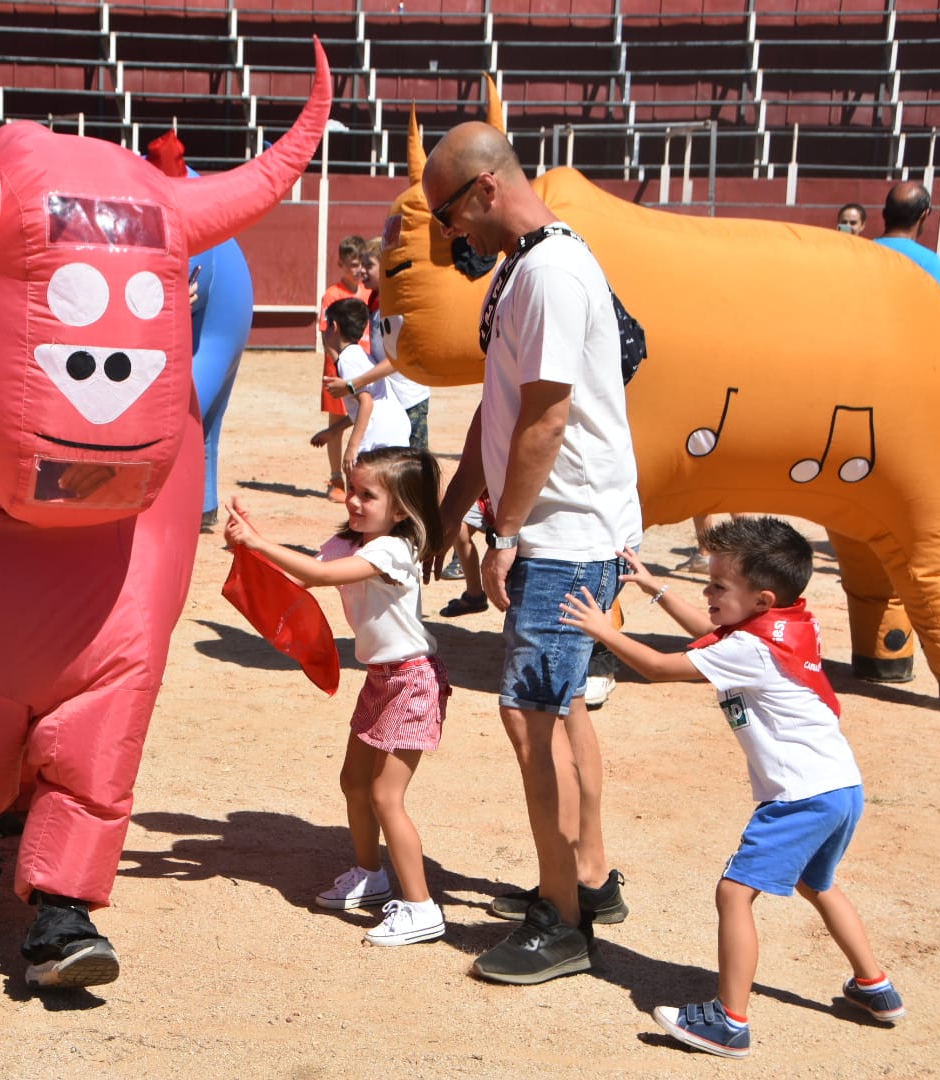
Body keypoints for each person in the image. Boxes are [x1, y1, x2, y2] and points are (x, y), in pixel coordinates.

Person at [422, 120, 641, 984]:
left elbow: (546, 415)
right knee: (561, 707)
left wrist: (504, 534)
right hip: (567, 526)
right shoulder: (525, 266)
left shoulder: (548, 271)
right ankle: (586, 876)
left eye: (448, 214)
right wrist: (449, 517)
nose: (450, 236)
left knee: (531, 716)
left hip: (563, 531)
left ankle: (562, 921)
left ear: (485, 189)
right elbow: (499, 408)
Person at [560, 518, 904, 1059]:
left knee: (733, 892)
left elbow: (660, 666)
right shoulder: (784, 623)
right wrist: (661, 591)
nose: (709, 593)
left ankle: (729, 1022)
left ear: (761, 598)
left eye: (719, 586)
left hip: (799, 797)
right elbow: (713, 632)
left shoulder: (750, 650)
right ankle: (875, 987)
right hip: (840, 788)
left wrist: (603, 631)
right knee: (819, 884)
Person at [223, 446, 450, 947]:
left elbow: (317, 577)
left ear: (401, 509)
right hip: (381, 679)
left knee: (386, 796)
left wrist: (257, 541)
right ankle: (371, 875)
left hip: (413, 681)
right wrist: (251, 541)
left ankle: (421, 907)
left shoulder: (392, 550)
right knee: (353, 782)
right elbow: (303, 568)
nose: (353, 501)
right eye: (352, 489)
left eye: (368, 495)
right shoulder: (354, 542)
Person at [322, 237, 432, 451]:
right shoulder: (374, 302)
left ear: (387, 268)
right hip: (392, 397)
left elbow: (398, 361)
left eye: (369, 265)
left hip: (409, 398)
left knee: (412, 467)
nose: (362, 271)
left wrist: (353, 384)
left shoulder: (395, 306)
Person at [312, 298, 411, 474]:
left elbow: (366, 403)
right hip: (395, 428)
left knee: (359, 483)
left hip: (378, 434)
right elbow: (359, 410)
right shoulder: (361, 355)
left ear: (334, 327)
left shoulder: (347, 361)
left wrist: (352, 447)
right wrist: (333, 431)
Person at [316, 235, 372, 501]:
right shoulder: (332, 294)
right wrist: (336, 364)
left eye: (360, 263)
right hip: (337, 368)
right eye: (351, 264)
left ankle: (358, 478)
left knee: (363, 417)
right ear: (340, 264)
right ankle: (336, 477)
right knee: (338, 422)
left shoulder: (370, 291)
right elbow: (326, 334)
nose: (357, 269)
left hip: (364, 366)